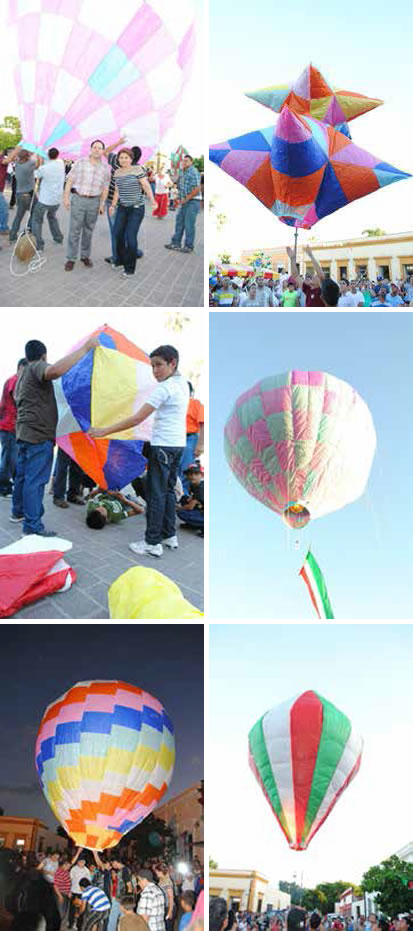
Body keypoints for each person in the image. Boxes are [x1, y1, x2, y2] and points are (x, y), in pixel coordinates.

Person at [89, 345, 188, 558]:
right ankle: (169, 535)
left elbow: (136, 419)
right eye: (152, 366)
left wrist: (104, 431)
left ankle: (152, 542)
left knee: (156, 494)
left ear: (173, 363)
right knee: (169, 491)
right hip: (177, 446)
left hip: (162, 446)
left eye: (159, 365)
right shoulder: (182, 384)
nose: (155, 370)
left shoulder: (165, 388)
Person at [11, 336, 98, 536]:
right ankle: (32, 526)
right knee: (35, 480)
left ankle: (18, 513)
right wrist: (85, 348)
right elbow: (55, 370)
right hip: (38, 436)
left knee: (24, 478)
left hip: (24, 434)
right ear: (43, 356)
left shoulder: (22, 375)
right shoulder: (37, 367)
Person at [64, 141, 110, 271]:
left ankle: (85, 256)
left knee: (89, 230)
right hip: (78, 199)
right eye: (94, 147)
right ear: (90, 149)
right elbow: (70, 180)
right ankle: (71, 258)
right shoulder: (80, 162)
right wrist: (66, 197)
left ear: (102, 151)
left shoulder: (105, 168)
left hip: (94, 201)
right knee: (74, 230)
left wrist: (102, 204)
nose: (97, 150)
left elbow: (105, 188)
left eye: (100, 148)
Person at [110, 149, 155, 277]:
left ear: (131, 159)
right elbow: (117, 191)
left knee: (130, 237)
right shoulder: (117, 172)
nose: (123, 160)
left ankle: (129, 268)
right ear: (118, 159)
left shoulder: (137, 170)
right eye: (121, 157)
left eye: (126, 157)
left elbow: (146, 186)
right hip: (122, 208)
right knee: (117, 233)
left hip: (136, 208)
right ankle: (120, 260)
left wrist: (153, 201)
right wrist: (113, 205)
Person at [0, 358, 27, 497]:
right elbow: (19, 400)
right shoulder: (16, 380)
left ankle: (9, 485)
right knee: (9, 459)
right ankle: (4, 488)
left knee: (10, 457)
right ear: (21, 367)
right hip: (9, 426)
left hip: (8, 425)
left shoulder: (12, 380)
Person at [164, 155, 201, 253]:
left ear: (191, 162)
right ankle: (176, 243)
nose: (184, 163)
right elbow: (179, 184)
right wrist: (171, 186)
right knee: (179, 221)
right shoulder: (182, 172)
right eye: (183, 161)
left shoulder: (194, 172)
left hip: (193, 201)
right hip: (185, 201)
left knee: (189, 224)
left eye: (186, 161)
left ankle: (189, 246)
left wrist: (186, 199)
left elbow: (197, 189)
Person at [31, 148, 65, 252]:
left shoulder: (44, 168)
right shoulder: (61, 163)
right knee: (52, 217)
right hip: (57, 199)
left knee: (36, 220)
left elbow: (34, 175)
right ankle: (58, 238)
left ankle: (39, 245)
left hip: (44, 200)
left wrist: (38, 161)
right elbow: (50, 160)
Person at [5, 146, 39, 243]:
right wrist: (38, 151)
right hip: (29, 194)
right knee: (34, 212)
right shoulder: (29, 164)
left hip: (19, 194)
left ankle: (12, 236)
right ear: (27, 156)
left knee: (19, 216)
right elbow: (38, 163)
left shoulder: (17, 165)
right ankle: (28, 231)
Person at [179, 382, 204, 493]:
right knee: (176, 469)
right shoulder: (174, 405)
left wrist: (200, 444)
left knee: (186, 468)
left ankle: (184, 494)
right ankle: (177, 493)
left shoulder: (195, 404)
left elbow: (203, 423)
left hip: (189, 438)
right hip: (175, 439)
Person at [177, 463, 204, 535]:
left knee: (181, 512)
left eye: (196, 474)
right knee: (183, 498)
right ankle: (193, 524)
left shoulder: (201, 487)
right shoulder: (193, 485)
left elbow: (190, 507)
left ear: (202, 475)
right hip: (201, 508)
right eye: (190, 474)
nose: (193, 476)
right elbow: (191, 498)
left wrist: (178, 508)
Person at [69, 851, 92, 931]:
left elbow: (88, 881)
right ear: (78, 862)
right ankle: (71, 923)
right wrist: (69, 891)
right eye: (80, 862)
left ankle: (79, 925)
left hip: (82, 893)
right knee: (72, 909)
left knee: (81, 909)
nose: (82, 863)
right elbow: (70, 879)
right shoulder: (73, 869)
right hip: (74, 891)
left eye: (83, 862)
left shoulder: (86, 870)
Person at [153, 864, 174, 931]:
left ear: (160, 871)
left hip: (168, 906)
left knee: (168, 927)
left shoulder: (167, 881)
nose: (156, 873)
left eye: (156, 871)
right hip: (164, 906)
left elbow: (171, 896)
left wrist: (170, 911)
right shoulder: (162, 879)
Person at [0, 149, 10, 234]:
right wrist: (19, 147)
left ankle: (3, 227)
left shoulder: (2, 158)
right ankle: (3, 228)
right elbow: (7, 161)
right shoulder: (2, 159)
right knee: (4, 209)